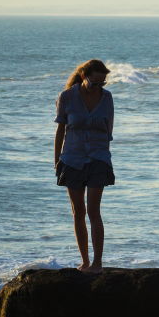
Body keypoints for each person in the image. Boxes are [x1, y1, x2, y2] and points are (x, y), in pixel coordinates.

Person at [54, 59, 115, 274]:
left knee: (94, 211)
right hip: (72, 159)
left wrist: (104, 157)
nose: (99, 87)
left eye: (102, 83)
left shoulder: (107, 98)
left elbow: (109, 132)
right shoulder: (67, 97)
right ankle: (85, 262)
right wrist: (57, 161)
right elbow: (60, 131)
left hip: (98, 158)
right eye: (95, 82)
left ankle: (98, 263)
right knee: (78, 212)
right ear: (84, 76)